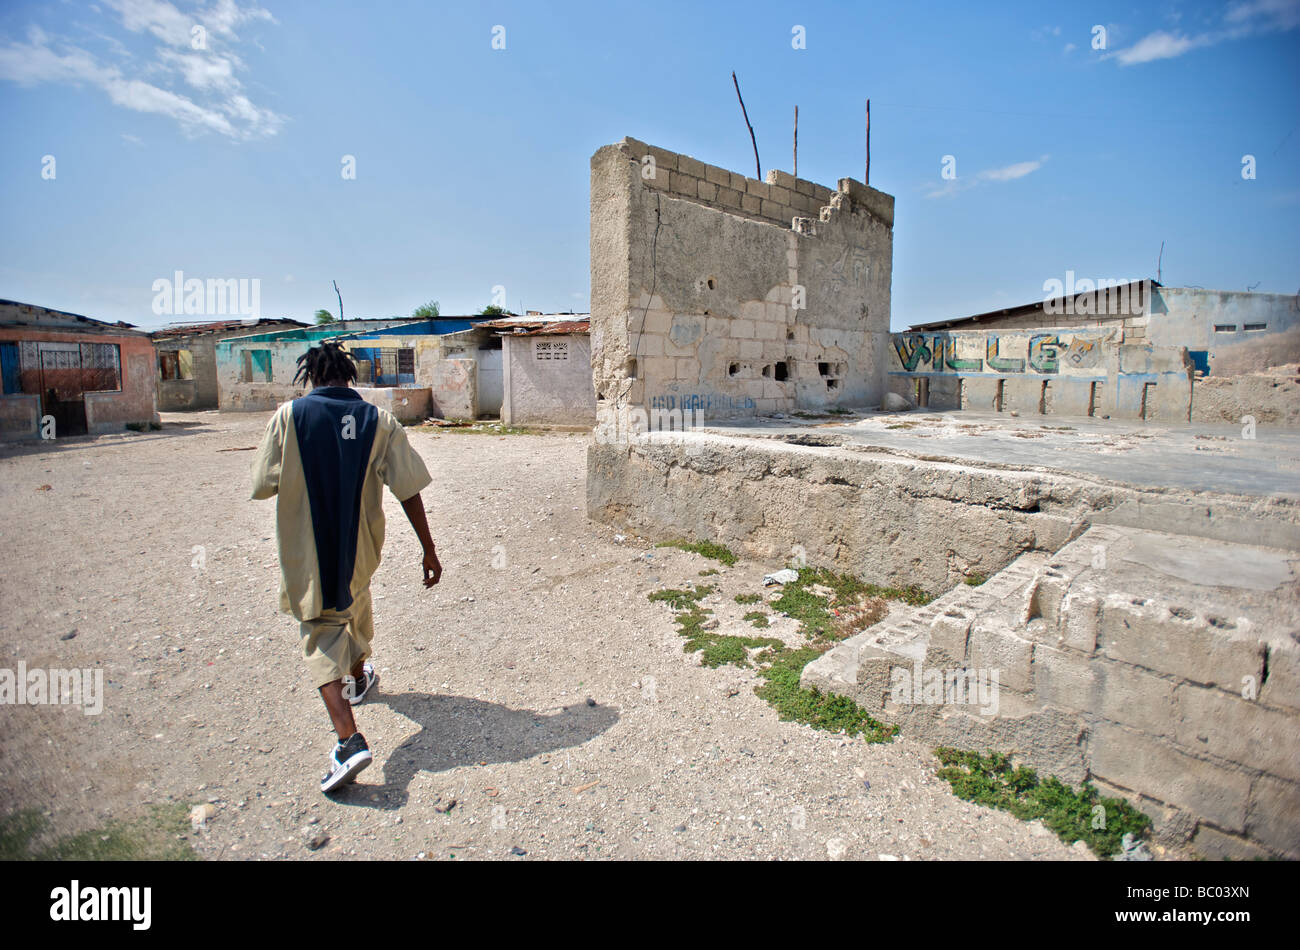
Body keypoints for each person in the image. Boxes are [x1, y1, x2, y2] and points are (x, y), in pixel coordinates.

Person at [250, 341, 442, 793]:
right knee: (352, 605)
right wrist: (428, 550)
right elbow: (408, 489)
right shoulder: (381, 423)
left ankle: (348, 741)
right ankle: (356, 677)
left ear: (312, 377)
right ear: (349, 376)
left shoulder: (288, 418)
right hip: (360, 549)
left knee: (321, 628)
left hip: (309, 551)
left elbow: (262, 485)